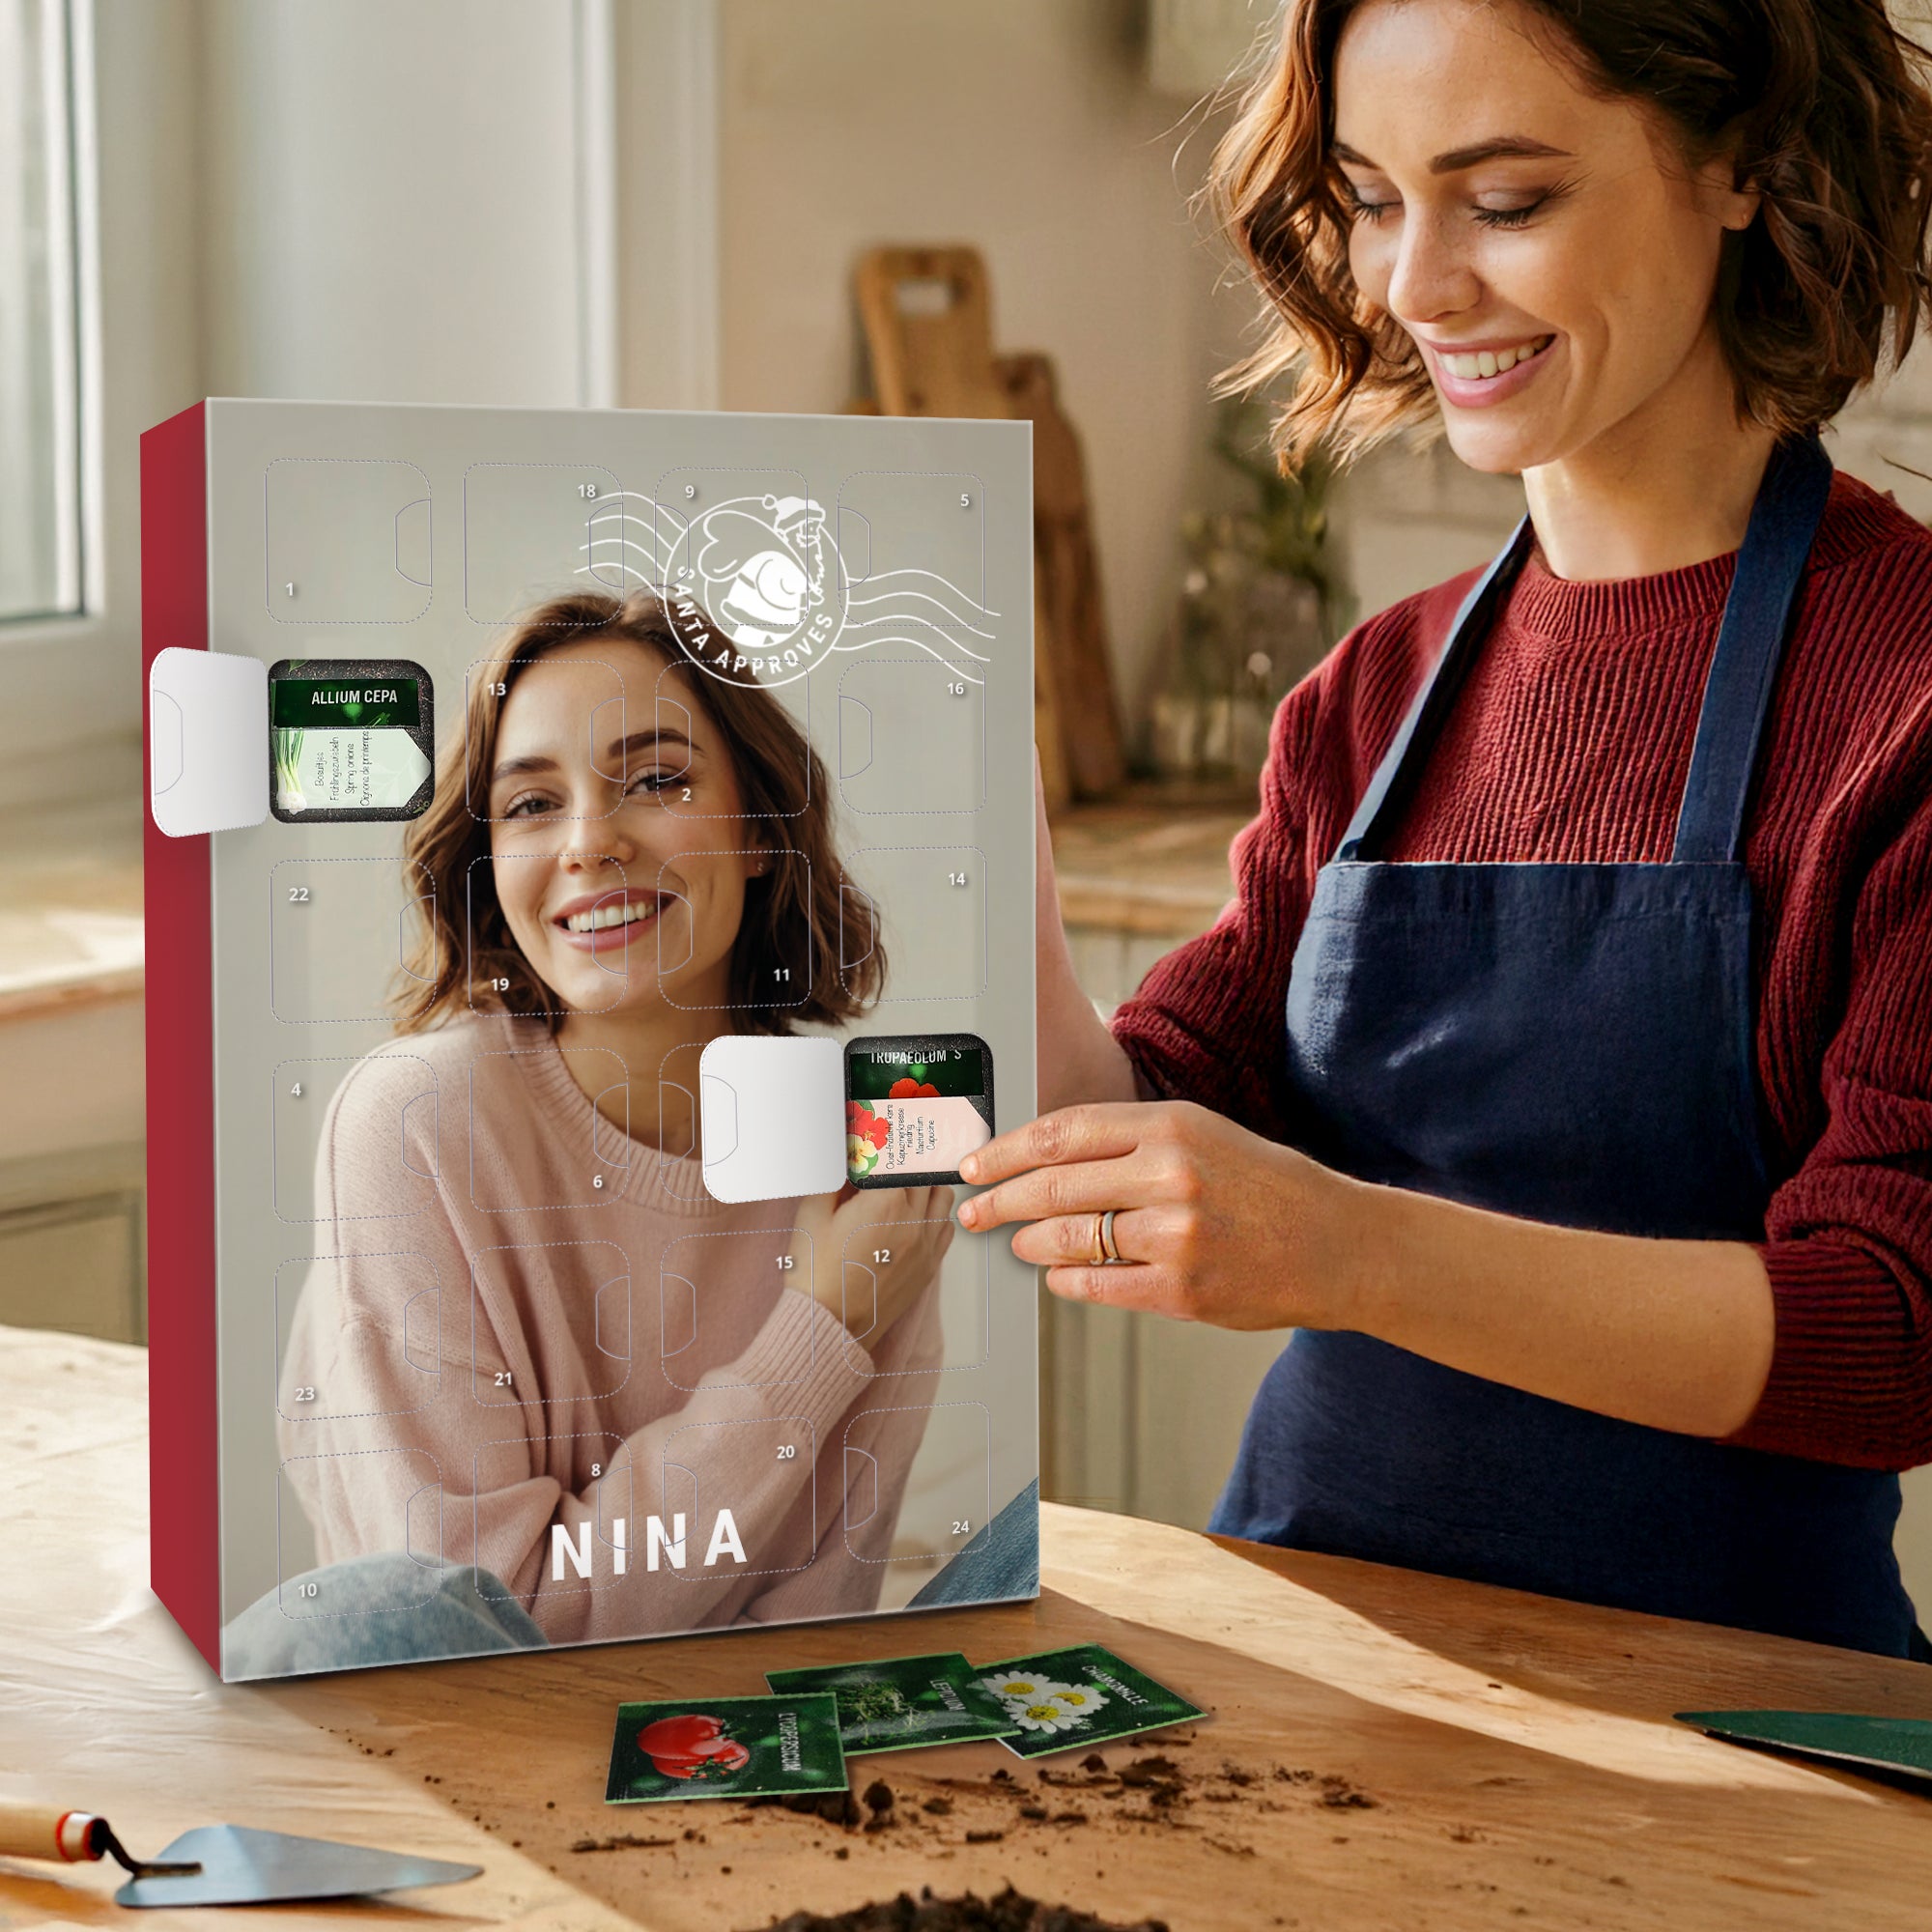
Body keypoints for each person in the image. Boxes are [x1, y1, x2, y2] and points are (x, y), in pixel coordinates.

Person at [962, 0, 1932, 1658]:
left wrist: (1346, 1250)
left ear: (1745, 167)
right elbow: (1164, 1103)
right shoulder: (1374, 692)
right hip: (1310, 1644)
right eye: (1370, 197)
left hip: (1743, 1711)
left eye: (1504, 201)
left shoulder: (1901, 695)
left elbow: (1889, 1331)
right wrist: (974, 846)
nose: (1414, 287)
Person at [242, 591, 954, 1669]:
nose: (590, 842)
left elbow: (815, 1610)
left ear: (759, 827)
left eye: (658, 779)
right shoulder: (414, 1124)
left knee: (1023, 1559)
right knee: (352, 1618)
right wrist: (821, 1328)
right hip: (470, 1730)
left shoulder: (866, 1151)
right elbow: (488, 1618)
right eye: (530, 804)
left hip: (754, 1736)